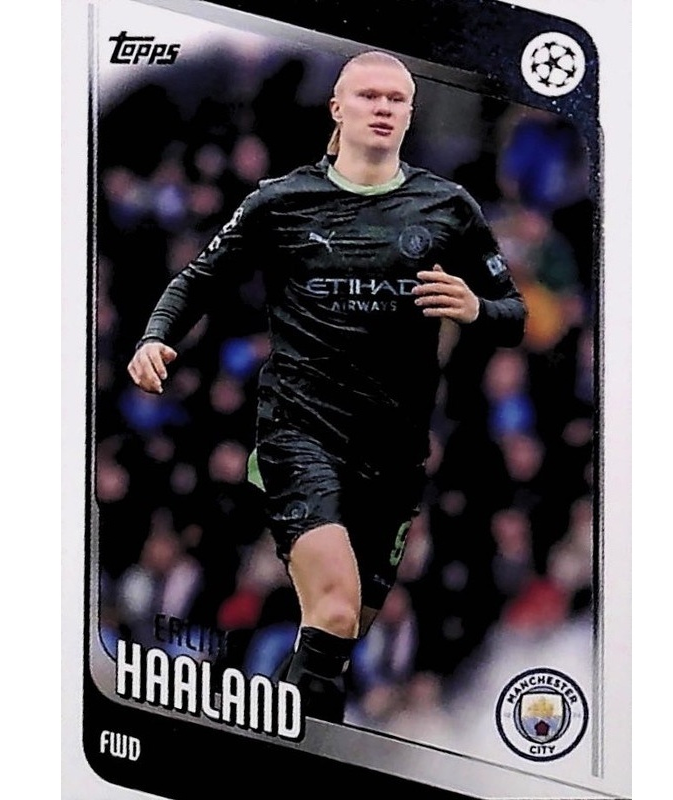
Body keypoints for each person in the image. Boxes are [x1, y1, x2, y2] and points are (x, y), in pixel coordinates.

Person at [127, 50, 527, 723]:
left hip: (395, 452)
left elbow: (512, 316)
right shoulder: (281, 201)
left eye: (396, 99)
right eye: (368, 95)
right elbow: (198, 279)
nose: (383, 108)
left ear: (410, 115)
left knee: (340, 635)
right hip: (301, 434)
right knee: (335, 611)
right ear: (337, 108)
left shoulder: (448, 207)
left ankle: (264, 730)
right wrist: (154, 335)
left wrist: (475, 308)